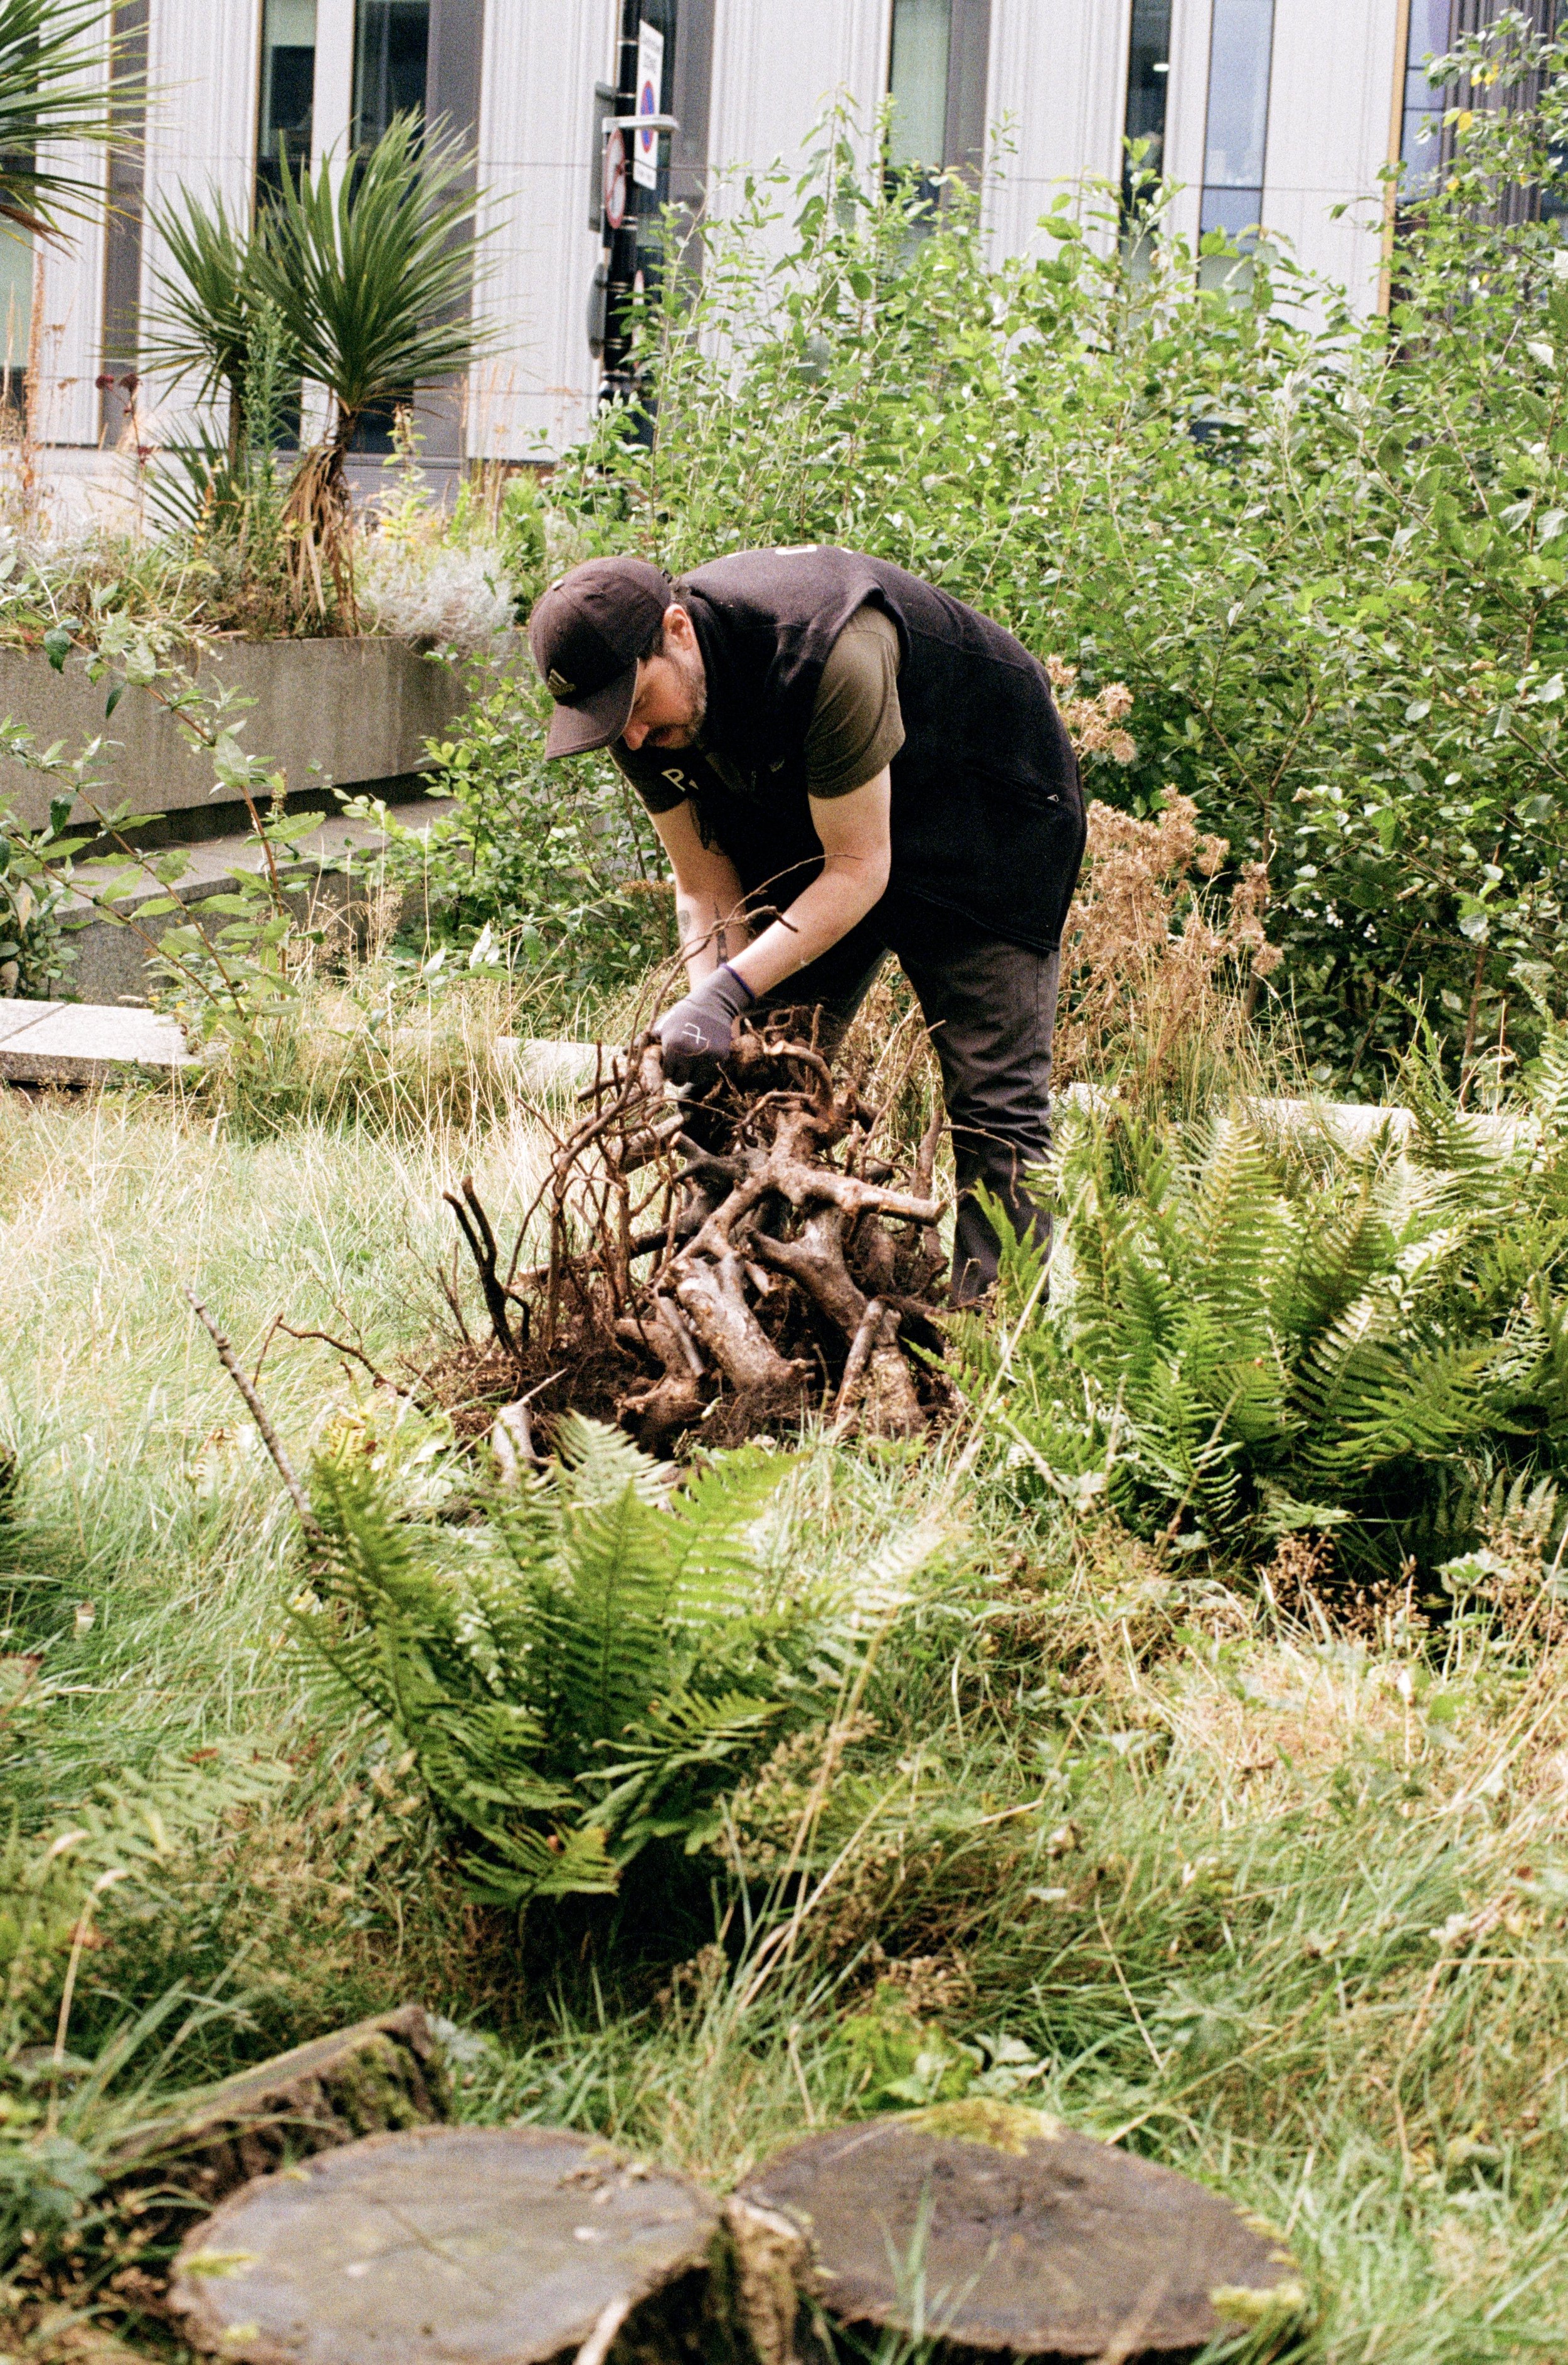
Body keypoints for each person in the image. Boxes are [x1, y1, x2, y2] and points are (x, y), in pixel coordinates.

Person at [527, 546, 1085, 1302]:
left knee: (994, 1107)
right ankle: (736, 1304)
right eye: (607, 720)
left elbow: (861, 867)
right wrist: (713, 1013)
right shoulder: (635, 717)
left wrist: (725, 992)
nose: (627, 738)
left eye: (632, 706)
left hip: (983, 819)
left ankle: (999, 1349)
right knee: (750, 1079)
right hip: (820, 823)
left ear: (678, 631)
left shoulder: (825, 649)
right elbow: (703, 884)